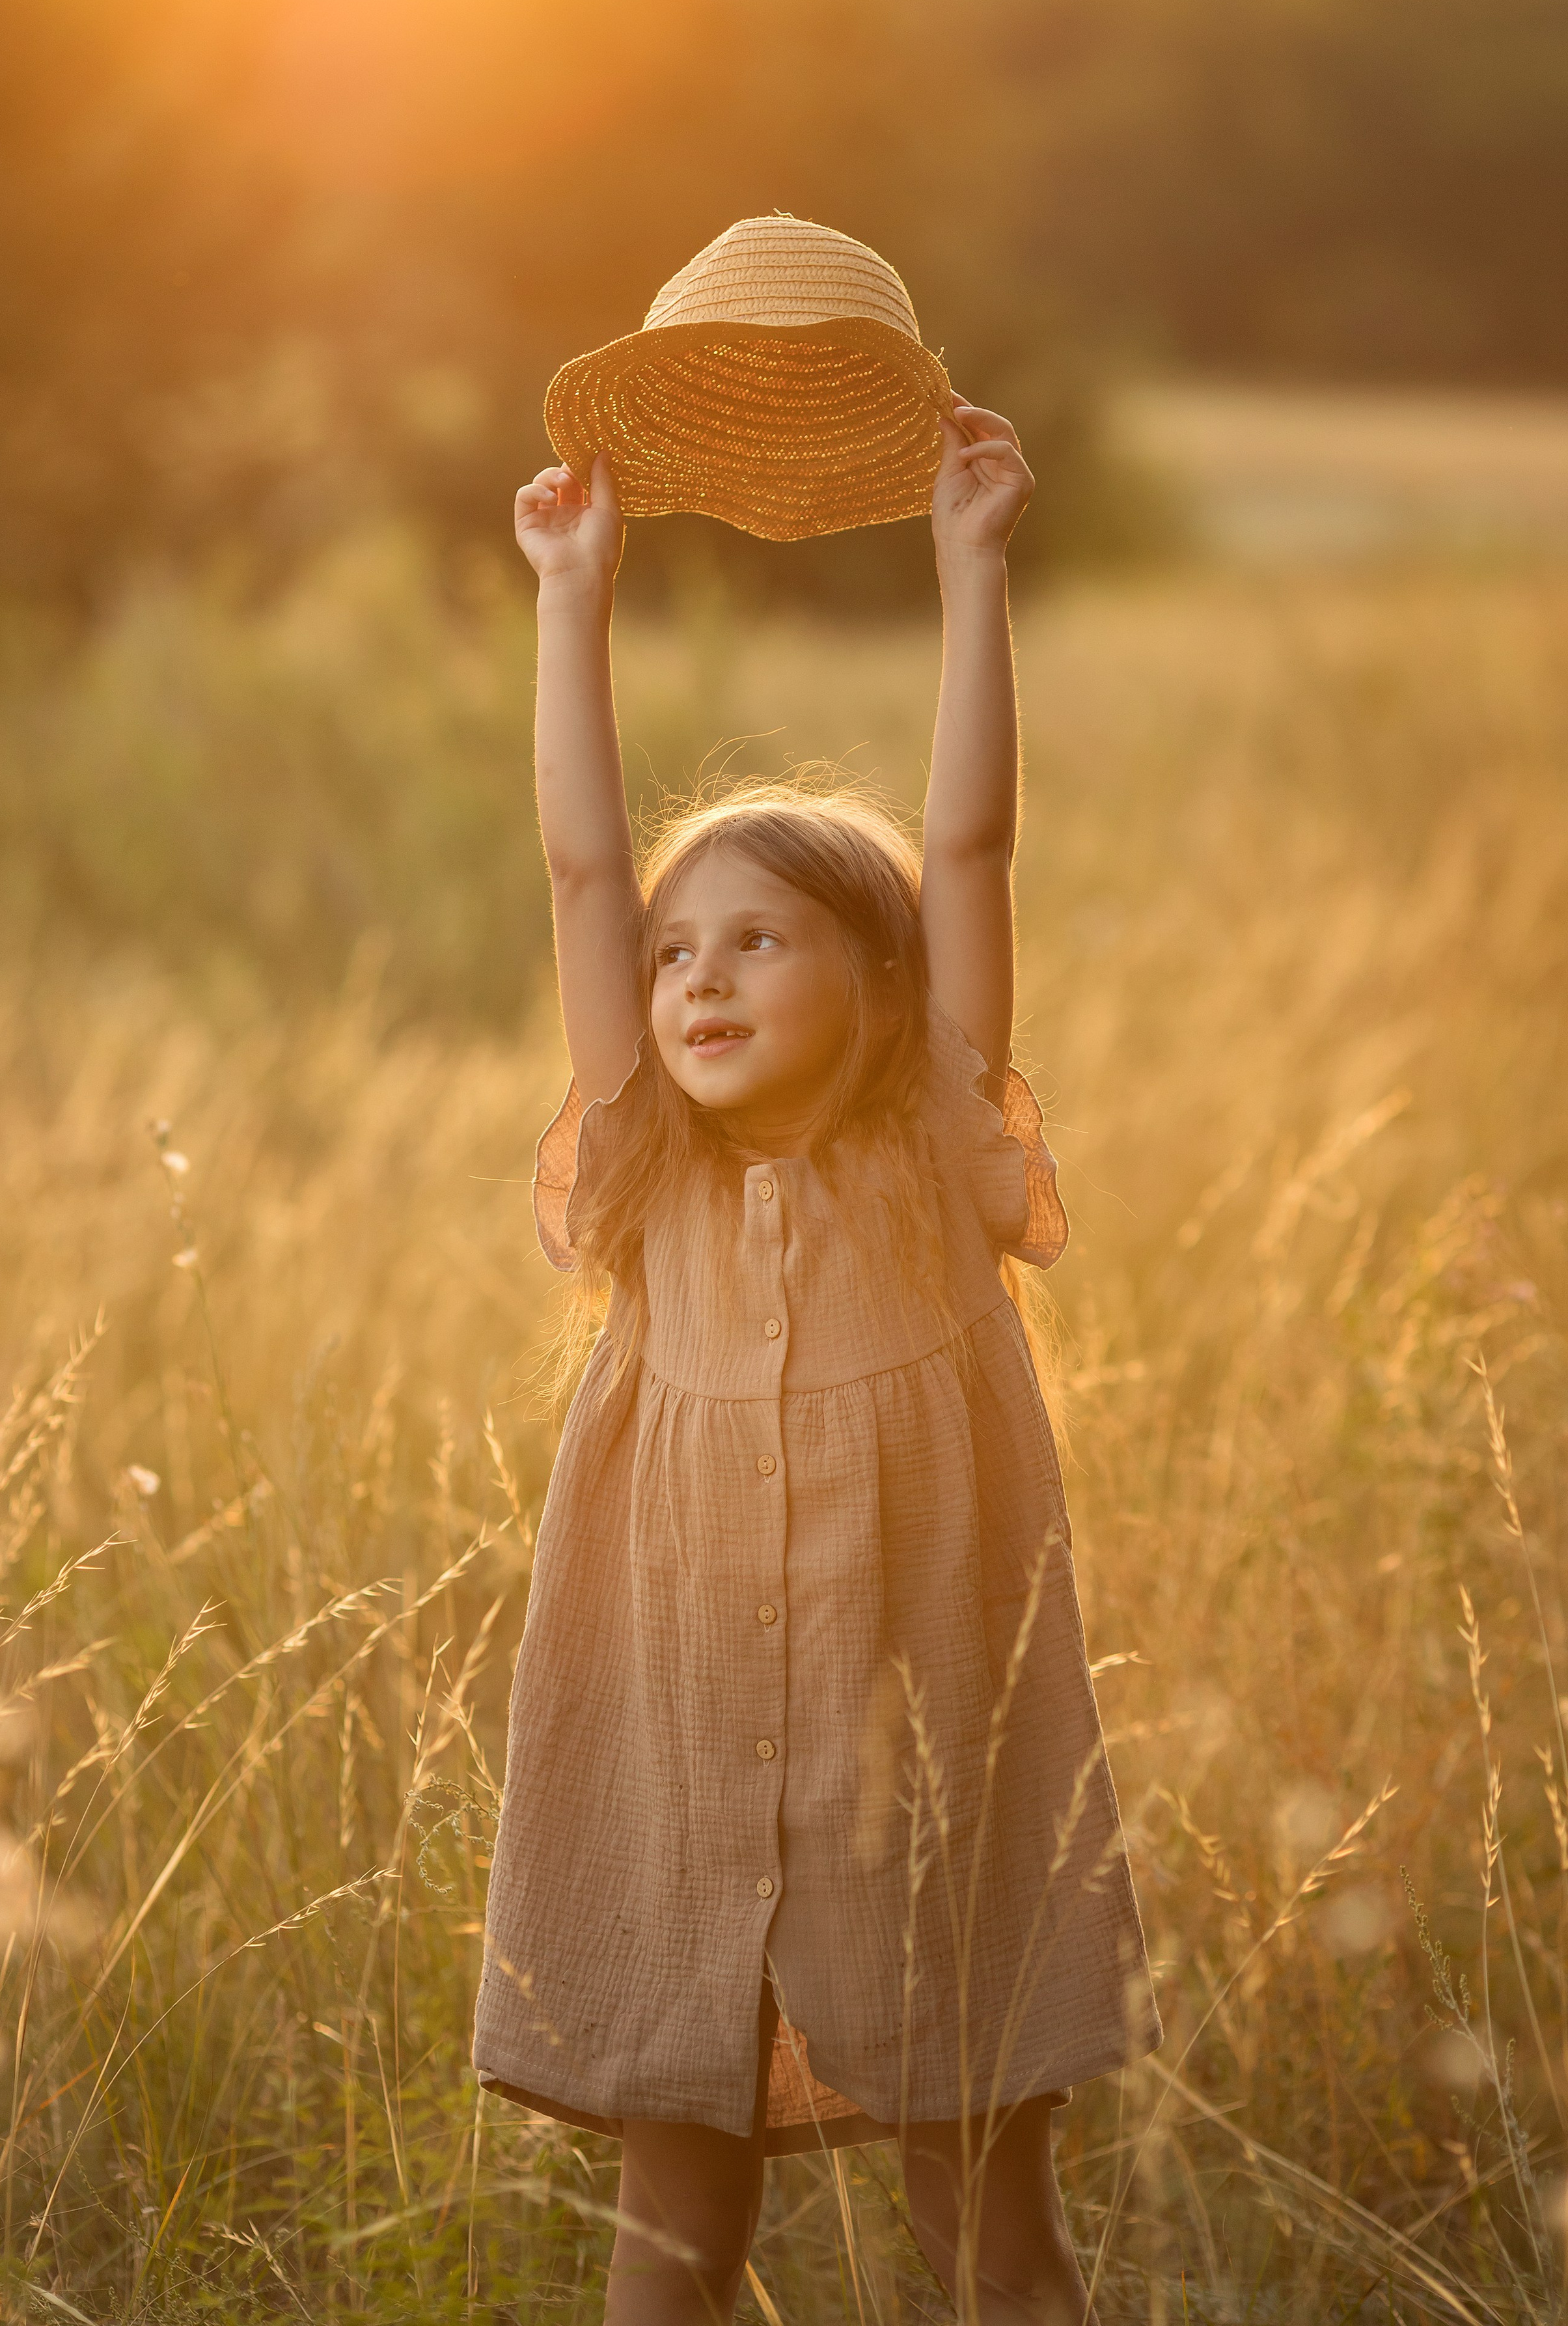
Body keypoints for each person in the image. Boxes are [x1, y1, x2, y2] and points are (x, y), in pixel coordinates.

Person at [473, 395, 1161, 2323]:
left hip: (930, 1767)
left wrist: (970, 564)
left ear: (884, 982)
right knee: (673, 2232)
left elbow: (968, 837)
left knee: (989, 2225)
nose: (696, 975)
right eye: (685, 953)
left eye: (760, 941)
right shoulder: (644, 1183)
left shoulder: (934, 1151)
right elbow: (582, 879)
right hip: (681, 1770)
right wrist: (570, 600)